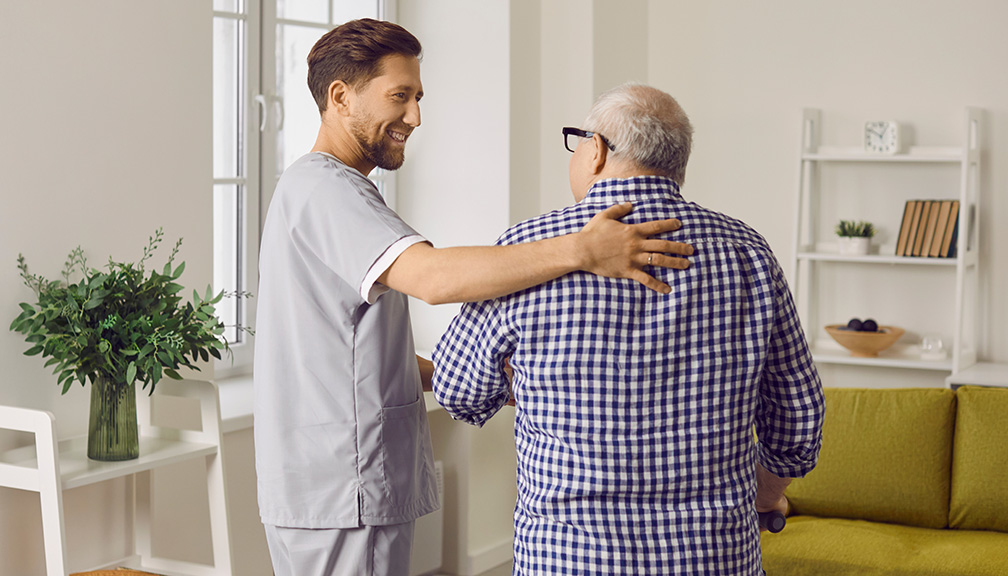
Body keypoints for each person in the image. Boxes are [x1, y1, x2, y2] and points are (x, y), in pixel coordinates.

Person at [253, 19, 695, 576]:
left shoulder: (329, 191)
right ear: (340, 97)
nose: (415, 116)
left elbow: (340, 349)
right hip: (344, 485)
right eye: (400, 96)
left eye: (417, 97)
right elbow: (434, 279)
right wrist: (582, 250)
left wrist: (457, 374)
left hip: (338, 482)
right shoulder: (324, 190)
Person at [432, 83, 825, 575]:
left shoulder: (529, 247)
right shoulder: (746, 251)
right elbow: (798, 417)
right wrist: (766, 498)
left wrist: (524, 377)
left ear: (594, 150)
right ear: (677, 165)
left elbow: (458, 391)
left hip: (568, 558)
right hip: (712, 557)